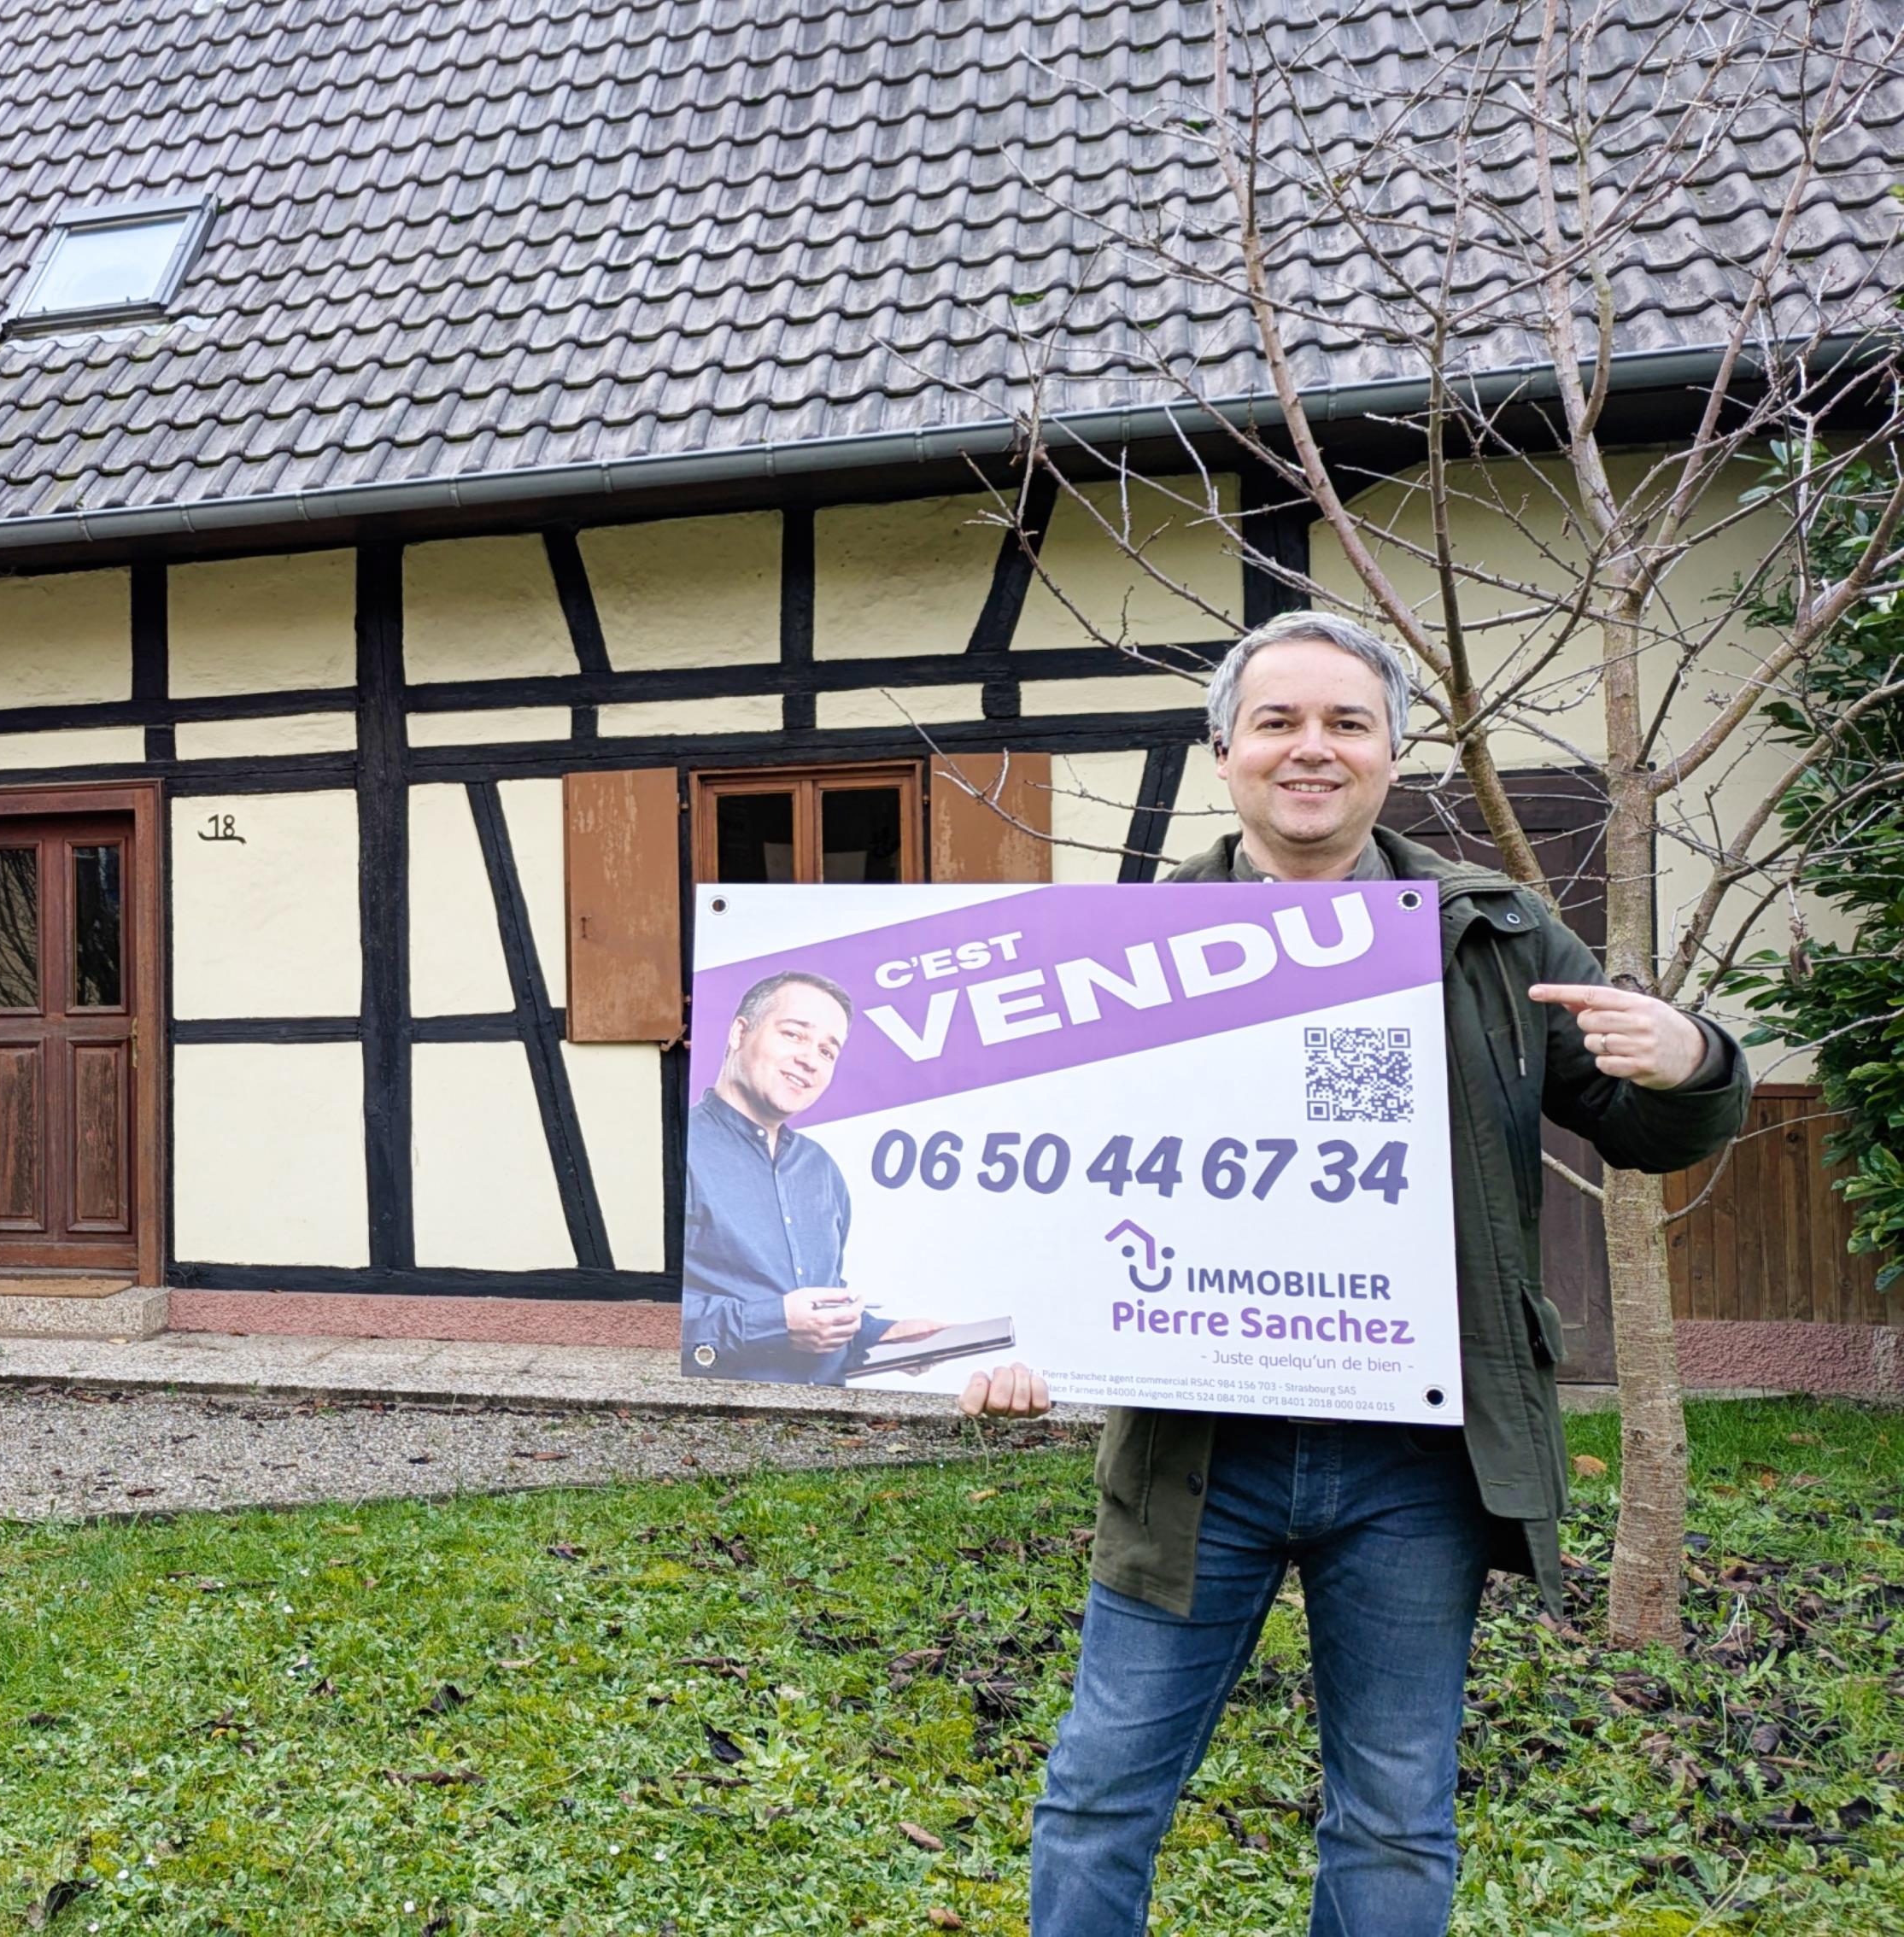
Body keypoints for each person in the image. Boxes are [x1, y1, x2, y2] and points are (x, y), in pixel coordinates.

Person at [959, 611, 1749, 1936]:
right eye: (1277, 721)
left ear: (1392, 754)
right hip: (1193, 1455)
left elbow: (1645, 1128)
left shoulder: (1496, 933)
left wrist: (1695, 1063)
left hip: (1419, 1465)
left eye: (1347, 723)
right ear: (1225, 750)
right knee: (1098, 1800)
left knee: (1394, 1817)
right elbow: (1030, 1185)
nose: (1311, 749)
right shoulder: (1113, 951)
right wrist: (996, 1332)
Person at [681, 968, 947, 1382]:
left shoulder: (822, 1170)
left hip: (828, 1415)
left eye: (827, 1051)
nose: (809, 1060)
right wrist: (773, 1323)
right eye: (793, 1034)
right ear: (738, 1033)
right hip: (720, 1414)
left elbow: (821, 1313)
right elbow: (636, 1320)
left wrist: (884, 1336)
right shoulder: (676, 1150)